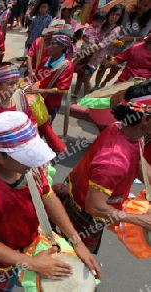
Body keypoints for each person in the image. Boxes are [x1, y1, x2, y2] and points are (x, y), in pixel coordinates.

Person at [0, 111, 101, 291]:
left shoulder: (30, 168)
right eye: (24, 156)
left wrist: (77, 242)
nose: (33, 161)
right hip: (4, 257)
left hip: (32, 241)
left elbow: (47, 195)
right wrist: (31, 263)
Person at [54, 81, 151, 254]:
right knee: (74, 256)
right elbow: (95, 207)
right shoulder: (114, 161)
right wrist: (142, 220)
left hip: (82, 192)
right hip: (87, 212)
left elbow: (139, 165)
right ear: (146, 119)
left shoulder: (124, 129)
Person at [24, 34, 74, 123]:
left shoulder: (67, 66)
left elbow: (60, 89)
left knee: (44, 125)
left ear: (62, 47)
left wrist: (38, 91)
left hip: (51, 104)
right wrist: (30, 82)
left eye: (53, 44)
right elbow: (37, 77)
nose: (49, 47)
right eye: (50, 44)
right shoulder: (45, 59)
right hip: (36, 99)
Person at [91, 4, 126, 90]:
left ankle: (95, 88)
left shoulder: (116, 29)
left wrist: (90, 49)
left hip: (98, 55)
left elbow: (104, 43)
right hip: (91, 50)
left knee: (88, 75)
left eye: (117, 15)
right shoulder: (102, 23)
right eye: (113, 14)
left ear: (120, 17)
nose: (114, 17)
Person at [72, 12, 106, 98]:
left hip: (93, 51)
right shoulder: (89, 28)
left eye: (100, 22)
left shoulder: (101, 29)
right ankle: (75, 93)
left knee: (86, 79)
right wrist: (88, 42)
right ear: (93, 20)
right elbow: (83, 37)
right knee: (80, 76)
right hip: (87, 47)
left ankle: (85, 98)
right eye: (97, 21)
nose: (98, 23)